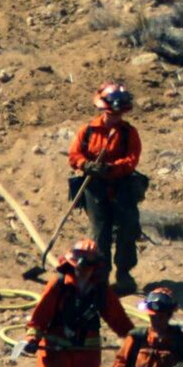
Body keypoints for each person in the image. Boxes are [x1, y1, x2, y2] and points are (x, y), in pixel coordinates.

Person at [22, 238, 134, 367]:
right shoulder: (59, 285)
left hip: (87, 352)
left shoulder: (100, 290)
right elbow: (38, 319)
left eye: (87, 267)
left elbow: (120, 321)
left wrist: (137, 341)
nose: (82, 271)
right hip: (56, 350)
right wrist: (32, 339)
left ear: (95, 267)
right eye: (79, 266)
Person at [69, 82, 145, 292]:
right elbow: (74, 155)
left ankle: (124, 274)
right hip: (95, 187)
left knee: (127, 229)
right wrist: (86, 165)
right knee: (100, 232)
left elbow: (131, 160)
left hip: (123, 187)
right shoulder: (87, 131)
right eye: (111, 114)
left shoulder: (129, 133)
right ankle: (100, 277)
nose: (114, 118)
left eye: (118, 115)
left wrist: (111, 168)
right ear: (103, 109)